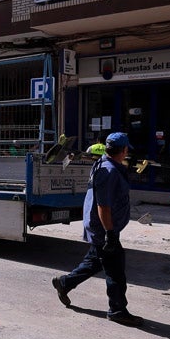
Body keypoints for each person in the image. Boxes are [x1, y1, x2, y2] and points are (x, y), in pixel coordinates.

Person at [51, 131, 142, 326]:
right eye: (127, 151)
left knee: (95, 261)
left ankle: (65, 283)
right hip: (104, 227)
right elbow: (104, 206)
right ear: (124, 150)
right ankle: (117, 310)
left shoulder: (104, 164)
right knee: (116, 270)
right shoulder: (107, 171)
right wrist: (109, 234)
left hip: (102, 226)